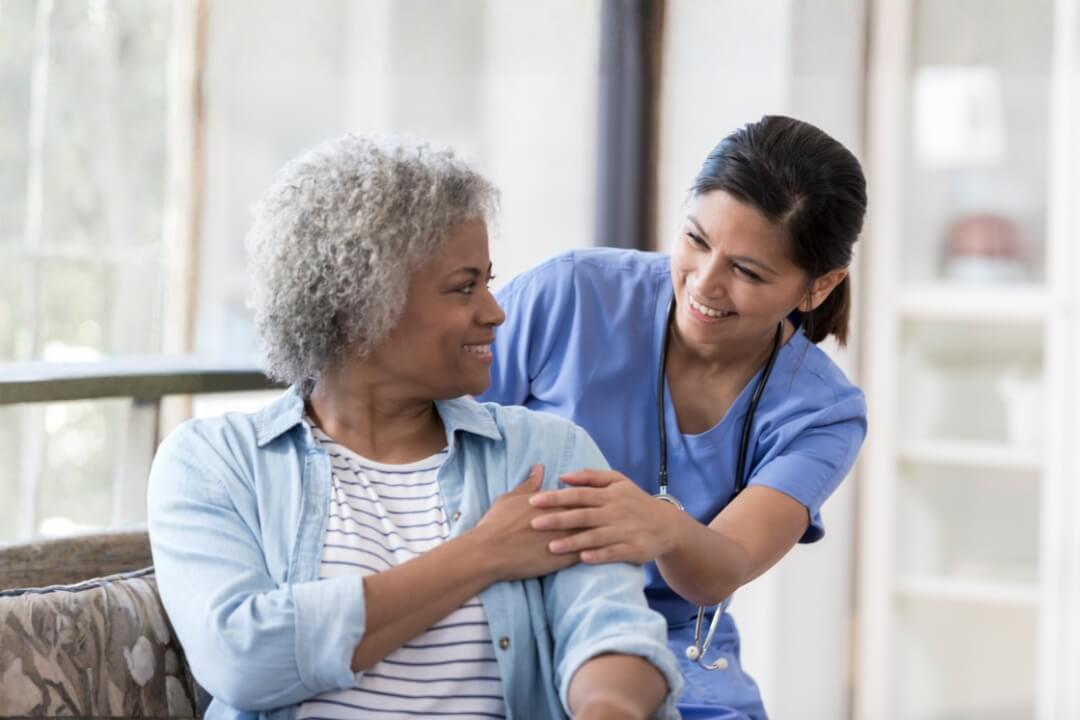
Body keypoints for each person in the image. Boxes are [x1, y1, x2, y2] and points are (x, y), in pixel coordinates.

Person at [147, 135, 682, 720]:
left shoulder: (545, 452)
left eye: (489, 280)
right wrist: (481, 554)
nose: (495, 311)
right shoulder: (212, 463)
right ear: (360, 310)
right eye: (464, 286)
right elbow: (242, 658)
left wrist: (609, 709)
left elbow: (609, 626)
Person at [477, 115, 868, 719]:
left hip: (673, 643)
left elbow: (722, 569)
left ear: (818, 287)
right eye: (696, 240)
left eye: (747, 271)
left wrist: (663, 526)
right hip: (504, 603)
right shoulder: (574, 294)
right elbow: (431, 433)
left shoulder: (823, 413)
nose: (704, 284)